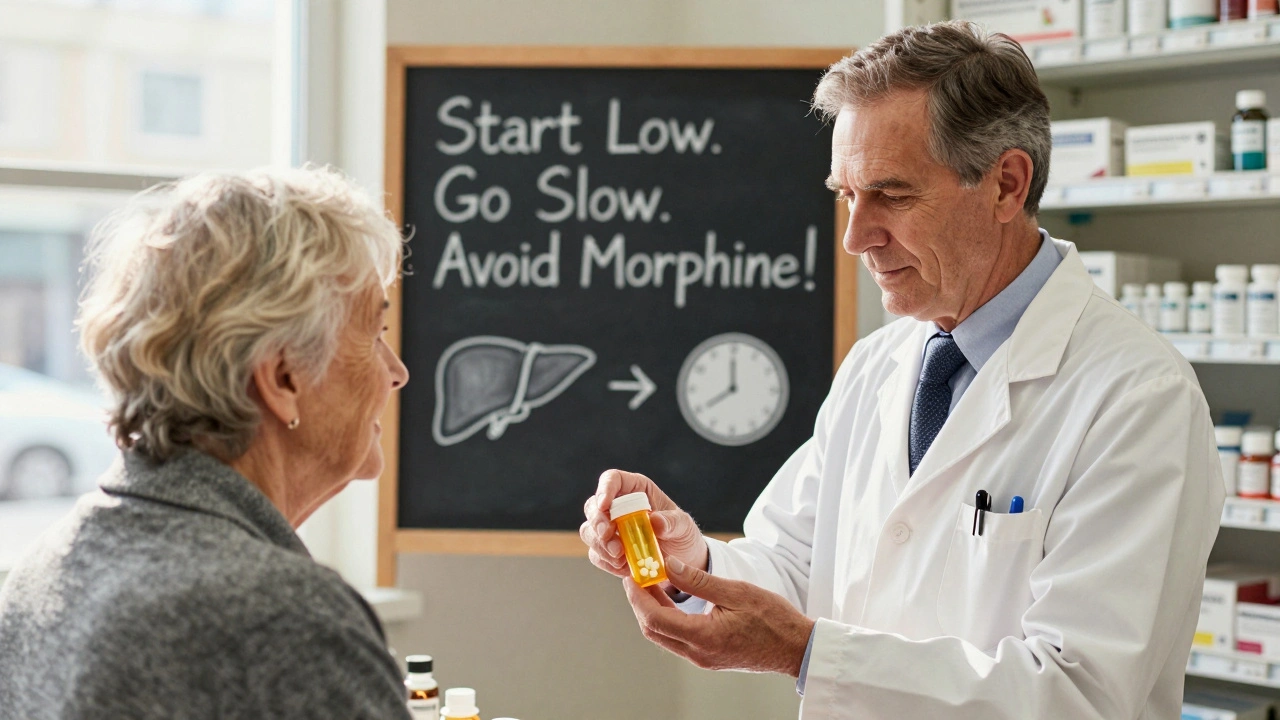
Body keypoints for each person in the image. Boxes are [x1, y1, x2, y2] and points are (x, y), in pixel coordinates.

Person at [580, 20, 1223, 719]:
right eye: (845, 195)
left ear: (1007, 184)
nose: (856, 237)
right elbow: (796, 565)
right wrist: (692, 561)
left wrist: (807, 656)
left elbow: (1080, 694)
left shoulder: (1137, 398)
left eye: (892, 194)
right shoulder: (880, 364)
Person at [0, 167, 413, 719]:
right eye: (375, 332)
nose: (397, 371)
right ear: (284, 377)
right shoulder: (285, 620)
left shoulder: (42, 571)